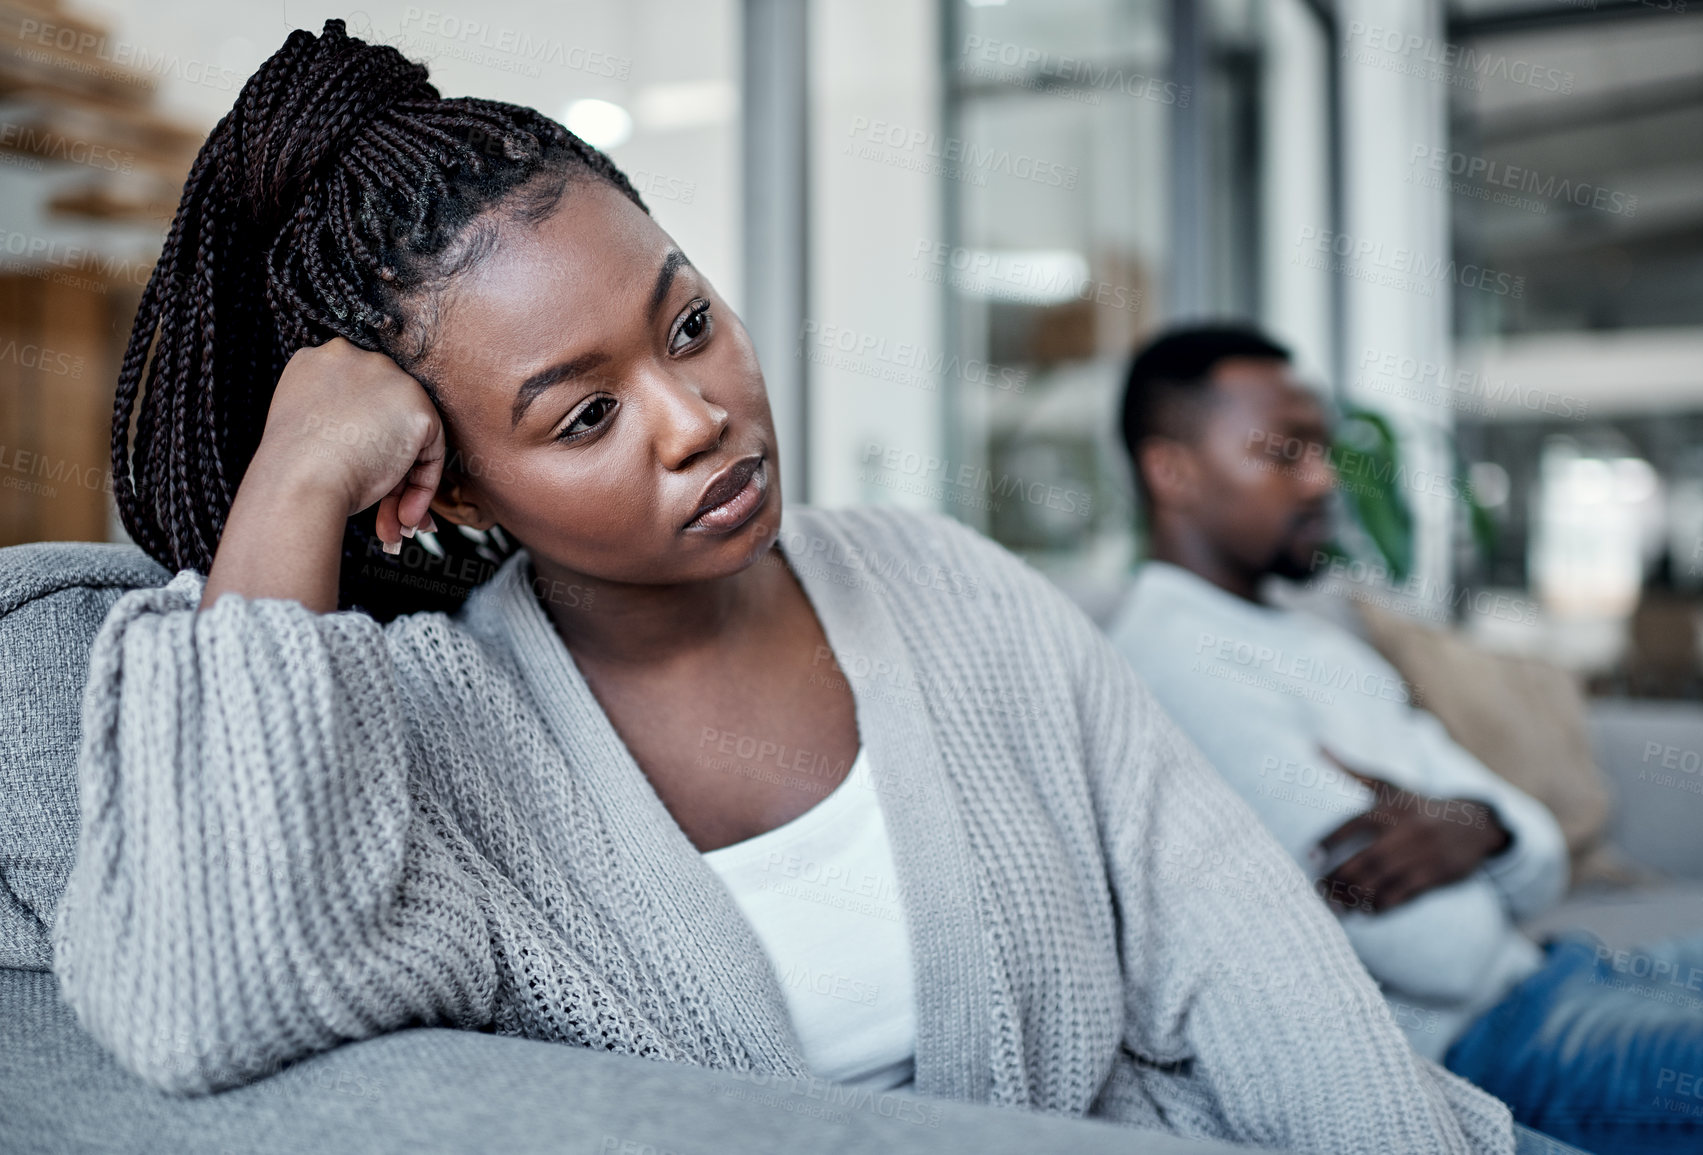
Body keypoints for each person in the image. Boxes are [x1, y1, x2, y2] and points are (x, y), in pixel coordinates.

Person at [47, 22, 1521, 1155]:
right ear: (448, 483)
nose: (694, 412)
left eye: (685, 321)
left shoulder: (943, 580)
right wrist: (297, 478)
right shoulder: (433, 742)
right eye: (582, 415)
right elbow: (205, 997)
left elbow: (1253, 963)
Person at [1108, 324, 1703, 1155]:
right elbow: (1430, 947)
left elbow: (1530, 842)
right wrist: (1480, 828)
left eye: (1322, 449)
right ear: (1171, 471)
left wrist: (1479, 824)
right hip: (1491, 1046)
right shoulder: (1171, 666)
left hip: (1554, 967)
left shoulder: (1318, 644)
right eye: (1283, 452)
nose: (1323, 477)